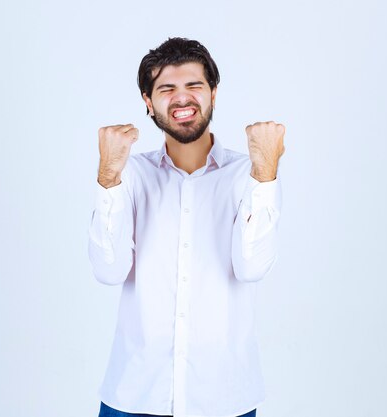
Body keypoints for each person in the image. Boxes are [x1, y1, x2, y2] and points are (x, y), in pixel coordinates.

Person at [88, 37, 285, 417]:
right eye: (167, 88)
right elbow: (108, 271)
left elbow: (252, 267)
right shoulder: (127, 173)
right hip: (134, 395)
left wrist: (265, 173)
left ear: (213, 92)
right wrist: (108, 175)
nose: (182, 98)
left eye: (194, 85)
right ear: (148, 101)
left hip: (225, 397)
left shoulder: (251, 172)